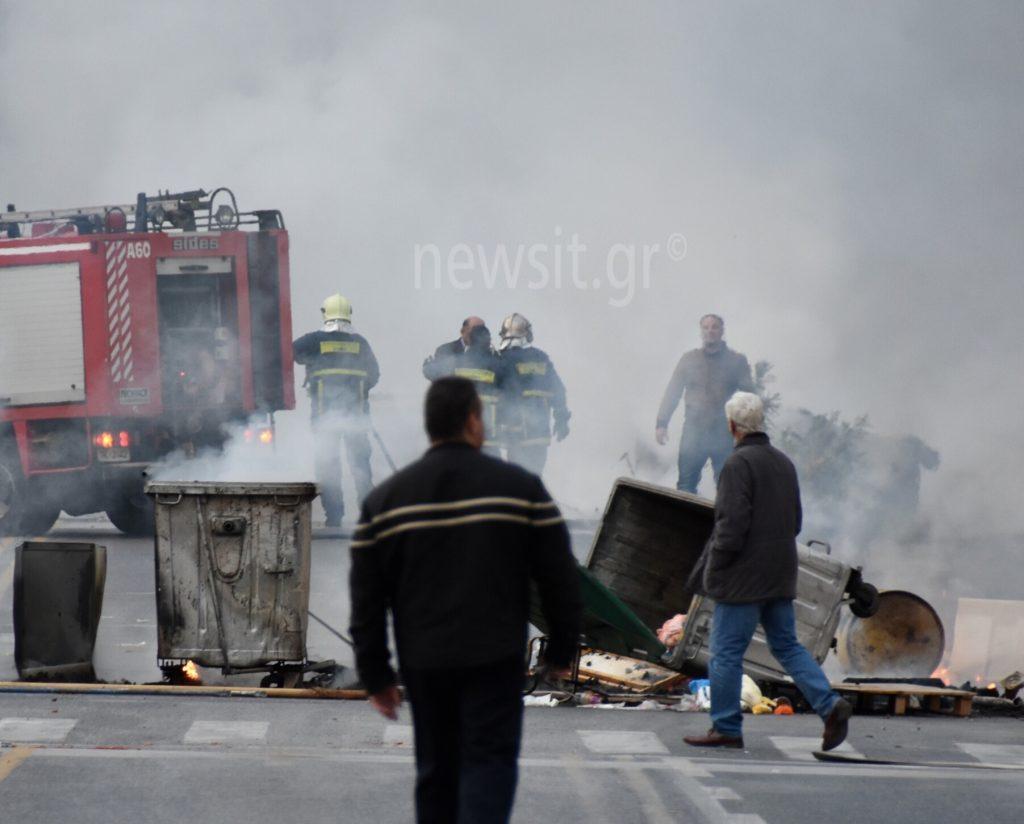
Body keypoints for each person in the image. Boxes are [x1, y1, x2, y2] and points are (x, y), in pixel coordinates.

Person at [349, 377, 581, 824]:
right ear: (474, 420)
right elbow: (560, 577)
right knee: (488, 763)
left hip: (425, 660)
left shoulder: (386, 501)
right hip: (494, 657)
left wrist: (376, 674)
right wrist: (561, 649)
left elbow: (367, 599)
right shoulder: (521, 490)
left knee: (436, 770)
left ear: (430, 426)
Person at [683, 391, 852, 751]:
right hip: (780, 574)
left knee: (726, 652)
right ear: (761, 423)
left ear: (732, 426)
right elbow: (796, 522)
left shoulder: (736, 465)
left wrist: (716, 570)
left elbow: (730, 527)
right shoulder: (783, 463)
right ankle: (829, 704)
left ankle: (726, 727)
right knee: (787, 646)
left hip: (743, 580)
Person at [293, 293, 380, 527]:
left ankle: (334, 516)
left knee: (328, 466)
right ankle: (368, 514)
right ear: (349, 313)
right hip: (357, 417)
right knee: (361, 466)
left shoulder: (312, 341)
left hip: (324, 417)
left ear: (325, 313)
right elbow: (374, 375)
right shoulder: (360, 343)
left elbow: (290, 353)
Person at [655, 314, 754, 493]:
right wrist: (662, 423)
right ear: (701, 332)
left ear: (722, 331)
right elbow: (673, 392)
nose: (710, 331)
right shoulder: (689, 360)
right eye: (706, 327)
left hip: (723, 431)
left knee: (728, 486)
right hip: (694, 430)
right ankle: (684, 521)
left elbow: (749, 397)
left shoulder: (736, 361)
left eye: (714, 327)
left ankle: (725, 521)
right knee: (685, 484)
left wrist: (748, 432)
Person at [497, 312, 570, 475]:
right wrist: (562, 420)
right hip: (539, 434)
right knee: (534, 477)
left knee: (517, 479)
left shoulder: (502, 360)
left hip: (515, 435)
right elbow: (558, 391)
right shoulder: (541, 358)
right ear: (527, 334)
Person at [423, 324, 507, 456]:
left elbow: (435, 374)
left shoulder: (458, 361)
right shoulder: (497, 364)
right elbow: (509, 390)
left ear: (471, 340)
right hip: (489, 433)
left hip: (462, 435)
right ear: (488, 342)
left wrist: (428, 366)